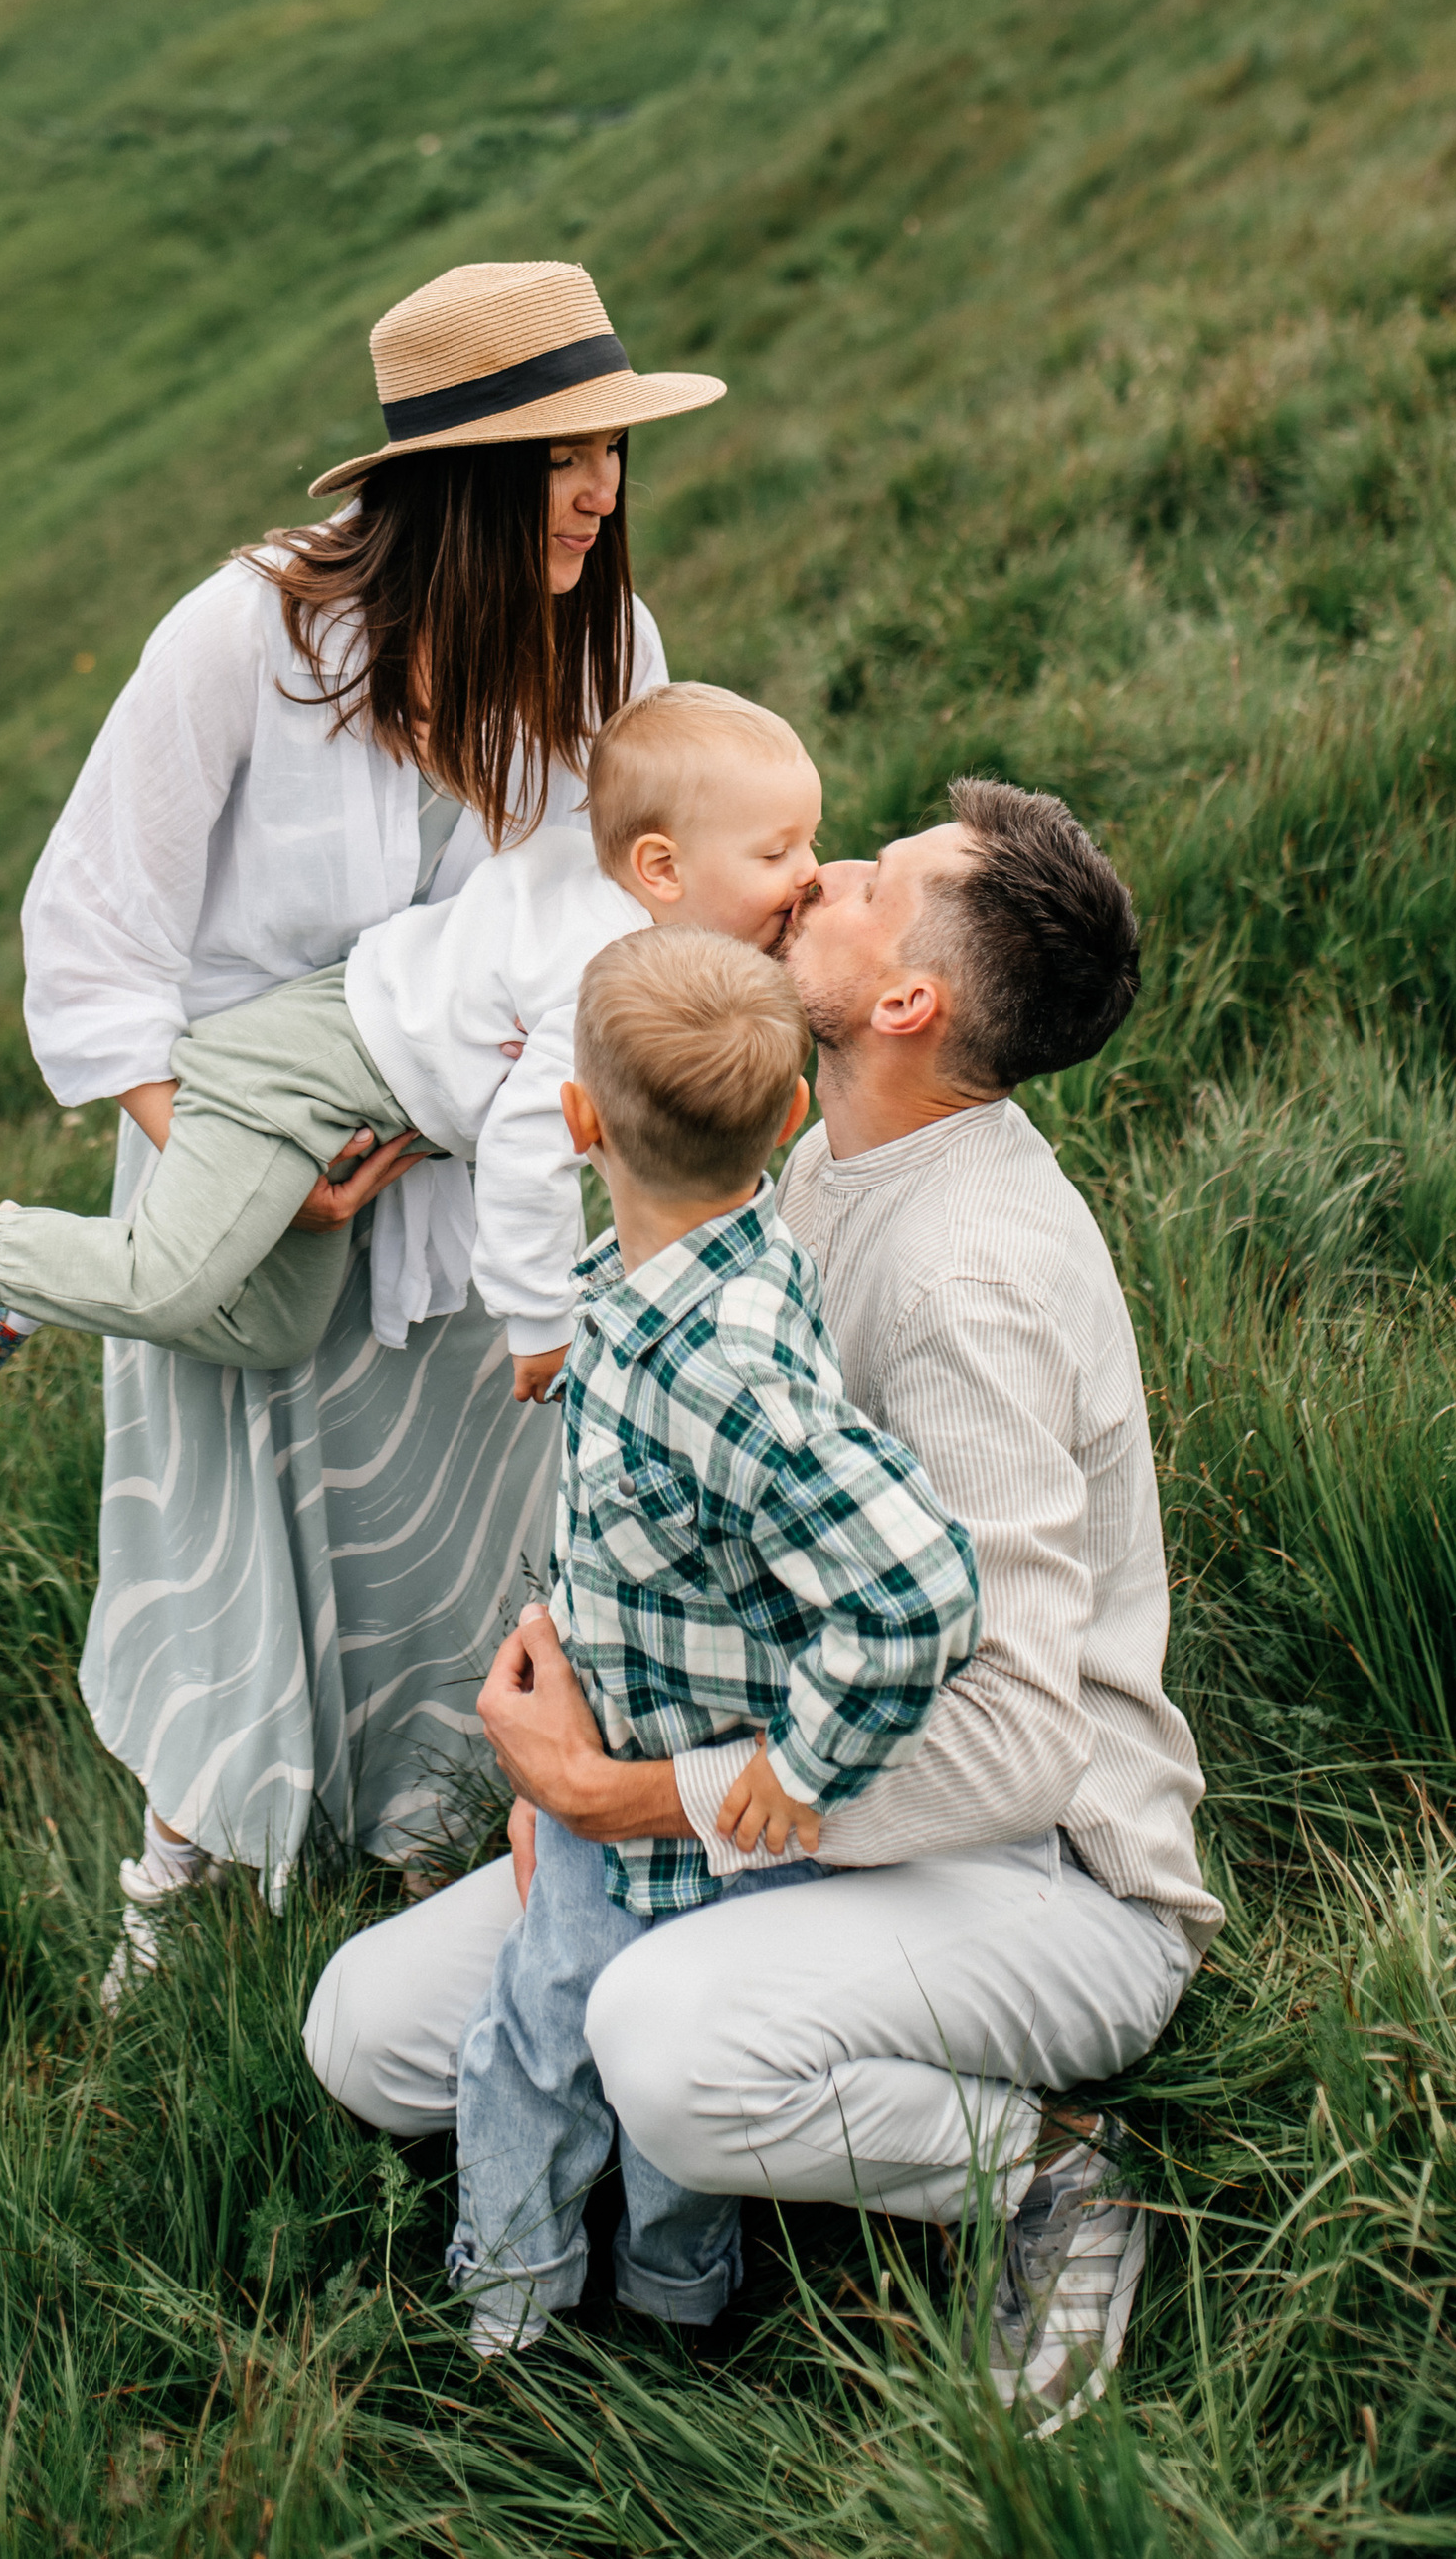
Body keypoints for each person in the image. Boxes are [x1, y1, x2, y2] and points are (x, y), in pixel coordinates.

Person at [0, 258, 724, 1981]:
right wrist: (231, 1154)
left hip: (481, 1181)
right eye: (558, 460)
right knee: (247, 1552)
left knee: (460, 1539)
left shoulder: (613, 644)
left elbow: (619, 913)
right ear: (452, 480)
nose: (602, 490)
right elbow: (99, 926)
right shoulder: (245, 636)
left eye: (609, 448)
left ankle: (429, 1880)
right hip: (238, 1143)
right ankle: (167, 1919)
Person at [304, 777, 1219, 2428]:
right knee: (367, 2032)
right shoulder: (802, 1161)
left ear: (904, 1000)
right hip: (804, 1784)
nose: (835, 873)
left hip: (1048, 1872)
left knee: (660, 2040)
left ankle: (1054, 2172)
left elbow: (1016, 1743)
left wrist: (626, 1796)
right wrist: (586, 1676)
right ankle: (705, 2129)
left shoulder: (969, 1279)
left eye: (881, 882)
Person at [0, 681, 821, 1399]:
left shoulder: (623, 901)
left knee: (271, 1330)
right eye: (780, 853)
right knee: (166, 1281)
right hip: (301, 1069)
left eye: (811, 845)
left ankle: (24, 1275)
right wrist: (539, 1325)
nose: (809, 872)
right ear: (660, 872)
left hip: (349, 1088)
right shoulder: (602, 983)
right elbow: (524, 1154)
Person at [447, 929, 981, 2357]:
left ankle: (520, 2323)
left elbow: (920, 1581)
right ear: (789, 1116)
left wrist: (801, 1762)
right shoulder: (703, 1275)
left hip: (672, 1826)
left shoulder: (714, 1360)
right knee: (608, 2069)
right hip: (633, 1770)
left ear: (578, 1122)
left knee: (541, 2050)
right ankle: (671, 2313)